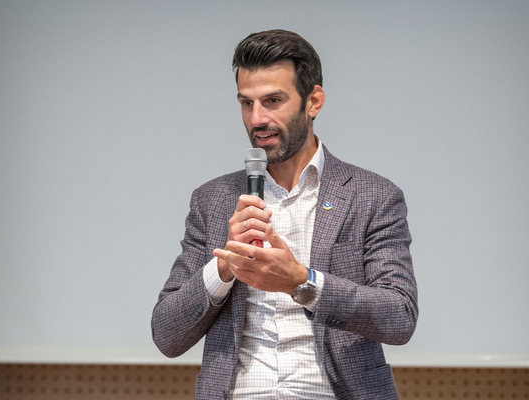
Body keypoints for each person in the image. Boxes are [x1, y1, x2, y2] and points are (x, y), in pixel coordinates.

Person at [151, 29, 418, 400]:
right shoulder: (213, 200)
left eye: (273, 101)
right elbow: (166, 335)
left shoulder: (371, 195)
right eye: (246, 103)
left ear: (313, 101)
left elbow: (399, 316)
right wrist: (224, 266)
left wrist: (301, 282)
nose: (257, 118)